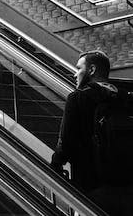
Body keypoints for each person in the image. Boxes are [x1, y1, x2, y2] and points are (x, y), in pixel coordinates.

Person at [51, 51, 133, 214]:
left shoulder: (78, 98)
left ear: (92, 70)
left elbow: (66, 141)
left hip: (91, 188)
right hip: (128, 188)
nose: (75, 74)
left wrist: (56, 164)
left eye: (79, 68)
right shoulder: (126, 98)